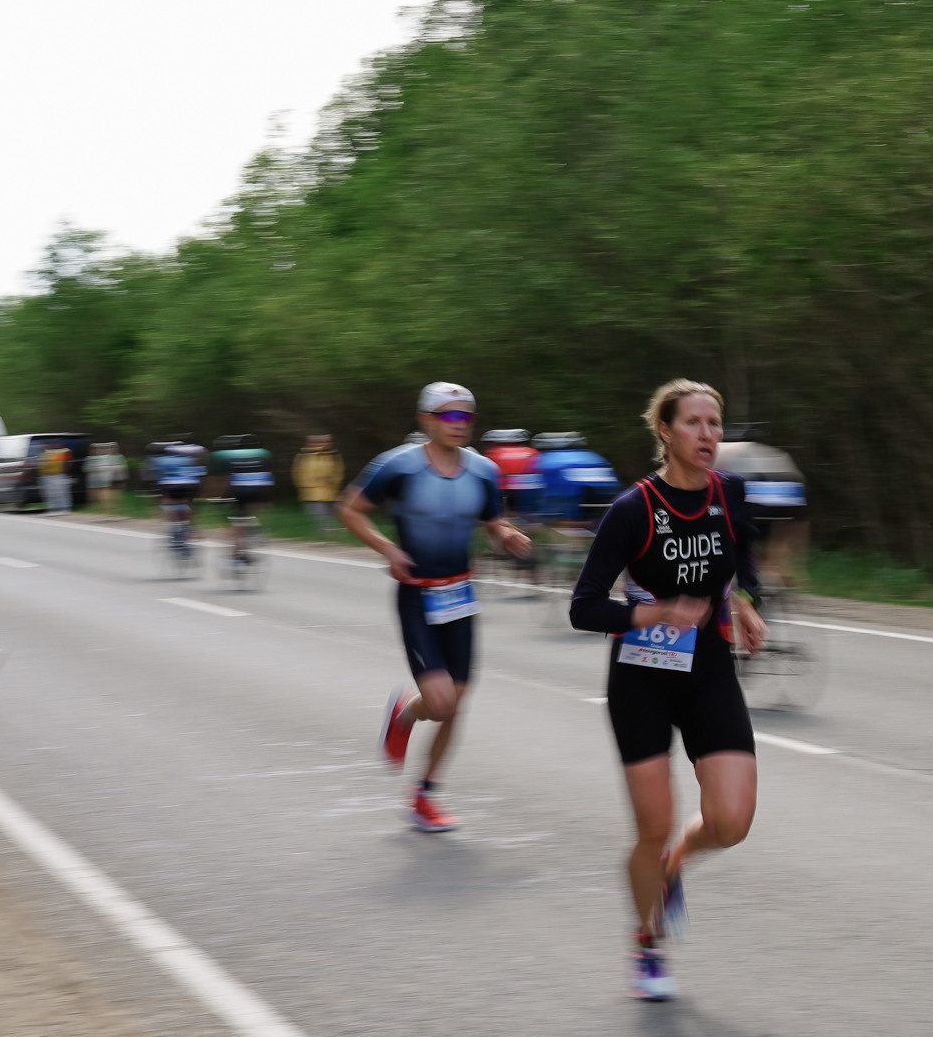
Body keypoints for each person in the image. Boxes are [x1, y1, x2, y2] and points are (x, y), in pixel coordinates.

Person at [569, 379, 767, 1003]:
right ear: (666, 431)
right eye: (695, 423)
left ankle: (674, 865)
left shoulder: (729, 493)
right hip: (641, 679)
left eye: (716, 423)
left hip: (707, 669)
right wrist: (653, 615)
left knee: (732, 821)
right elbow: (583, 607)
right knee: (650, 827)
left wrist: (746, 601)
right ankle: (647, 943)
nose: (709, 435)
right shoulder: (633, 509)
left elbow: (742, 558)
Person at [339, 384, 531, 832]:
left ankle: (424, 795)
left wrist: (504, 535)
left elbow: (490, 519)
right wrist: (388, 549)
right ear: (427, 420)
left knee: (455, 704)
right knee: (441, 702)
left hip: (461, 596)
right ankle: (406, 713)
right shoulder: (397, 466)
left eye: (467, 416)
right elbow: (349, 509)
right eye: (449, 416)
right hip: (417, 595)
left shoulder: (484, 470)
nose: (460, 423)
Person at [715, 423, 809, 588]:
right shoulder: (778, 454)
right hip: (789, 490)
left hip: (754, 490)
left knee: (737, 530)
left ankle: (748, 573)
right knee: (779, 527)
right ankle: (778, 567)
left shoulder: (724, 448)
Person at [292, 434, 344, 537]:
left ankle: (328, 538)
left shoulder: (334, 456)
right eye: (322, 442)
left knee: (331, 518)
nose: (326, 444)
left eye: (328, 442)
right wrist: (313, 484)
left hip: (331, 493)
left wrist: (332, 481)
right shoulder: (303, 457)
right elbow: (298, 474)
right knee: (321, 518)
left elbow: (339, 472)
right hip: (313, 495)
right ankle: (322, 538)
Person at [86, 441, 126, 510]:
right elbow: (102, 467)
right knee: (107, 497)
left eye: (113, 447)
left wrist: (113, 467)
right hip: (108, 480)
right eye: (110, 448)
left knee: (118, 496)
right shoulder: (105, 457)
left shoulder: (120, 457)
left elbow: (122, 467)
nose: (111, 449)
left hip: (118, 478)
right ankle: (109, 512)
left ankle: (118, 510)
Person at [39, 441, 75, 513]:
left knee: (61, 493)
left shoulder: (63, 451)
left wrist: (66, 472)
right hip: (47, 476)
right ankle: (54, 508)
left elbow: (68, 462)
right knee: (51, 494)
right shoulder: (44, 453)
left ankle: (65, 508)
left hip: (59, 475)